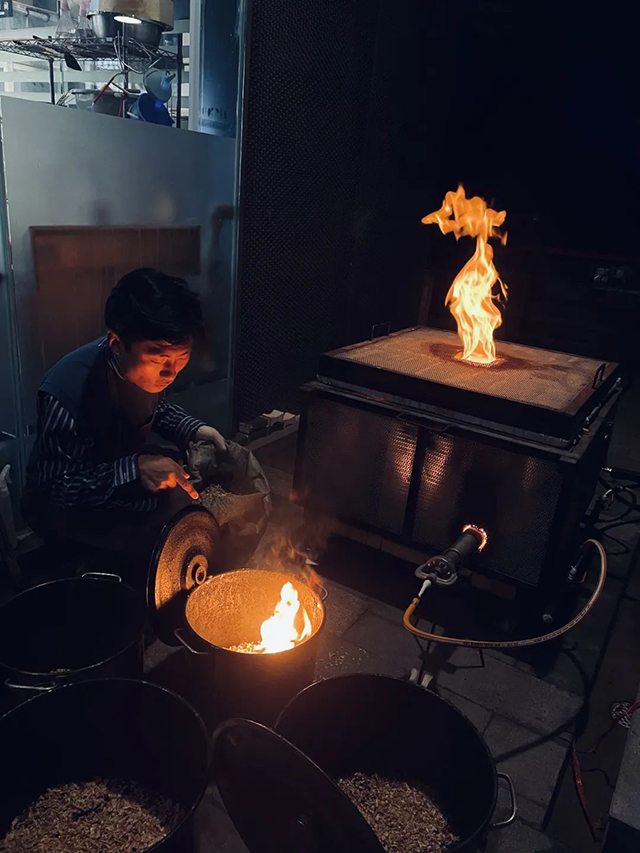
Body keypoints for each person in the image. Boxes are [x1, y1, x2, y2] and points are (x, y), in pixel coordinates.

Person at [22, 268, 225, 561]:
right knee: (157, 547)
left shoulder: (142, 370)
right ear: (117, 343)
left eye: (182, 358)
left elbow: (155, 408)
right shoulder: (67, 391)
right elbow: (59, 490)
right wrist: (135, 469)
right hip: (62, 507)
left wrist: (192, 429)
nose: (171, 372)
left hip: (114, 465)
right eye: (159, 358)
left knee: (190, 492)